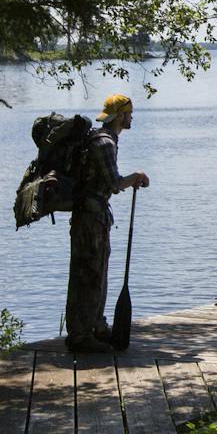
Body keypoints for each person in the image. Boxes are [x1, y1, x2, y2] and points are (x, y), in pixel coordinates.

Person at [65, 93, 149, 352]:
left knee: (96, 270)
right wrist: (136, 176)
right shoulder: (104, 144)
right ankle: (81, 336)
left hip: (93, 215)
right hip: (90, 218)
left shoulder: (101, 139)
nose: (132, 117)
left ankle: (97, 326)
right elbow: (113, 184)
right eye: (129, 113)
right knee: (89, 273)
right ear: (120, 116)